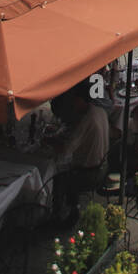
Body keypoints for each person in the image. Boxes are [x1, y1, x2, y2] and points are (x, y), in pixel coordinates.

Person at [51, 82, 110, 220]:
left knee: (56, 177)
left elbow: (66, 150)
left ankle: (61, 214)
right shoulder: (99, 111)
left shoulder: (87, 120)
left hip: (89, 174)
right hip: (103, 166)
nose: (72, 104)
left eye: (74, 100)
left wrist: (51, 142)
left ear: (80, 99)